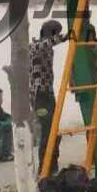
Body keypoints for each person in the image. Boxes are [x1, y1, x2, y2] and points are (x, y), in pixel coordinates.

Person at [30, 20, 69, 174]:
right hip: (39, 98)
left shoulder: (47, 48)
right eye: (56, 33)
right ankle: (44, 169)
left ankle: (52, 166)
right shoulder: (35, 46)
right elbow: (45, 44)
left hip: (48, 95)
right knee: (47, 131)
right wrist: (65, 37)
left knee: (54, 132)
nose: (57, 36)